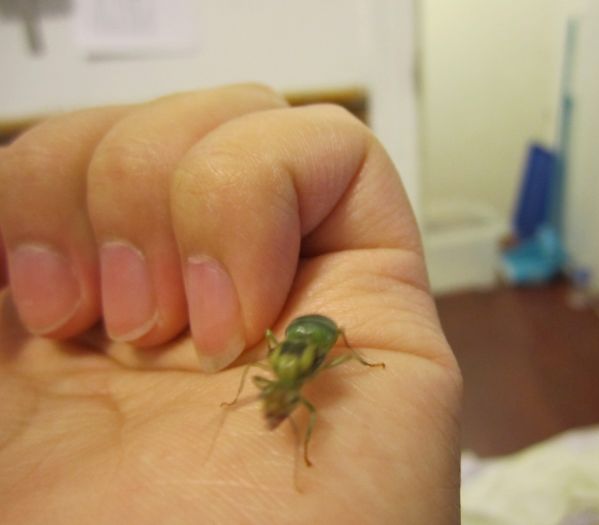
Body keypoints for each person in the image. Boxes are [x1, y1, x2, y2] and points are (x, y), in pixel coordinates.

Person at [0, 84, 461, 524]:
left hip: (318, 332)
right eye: (276, 400)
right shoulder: (275, 375)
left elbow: (308, 377)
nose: (273, 409)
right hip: (300, 336)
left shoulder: (310, 388)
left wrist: (354, 367)